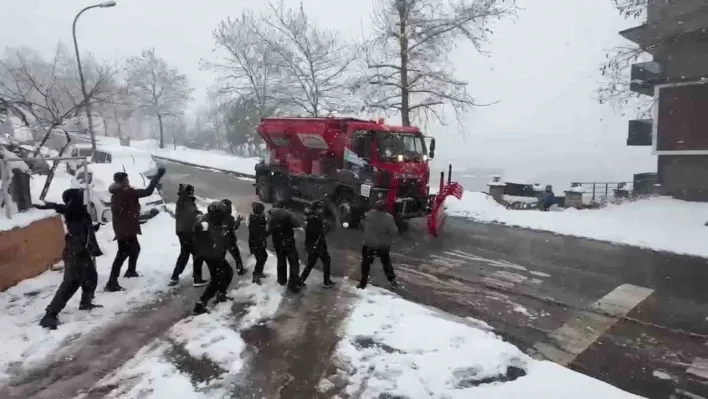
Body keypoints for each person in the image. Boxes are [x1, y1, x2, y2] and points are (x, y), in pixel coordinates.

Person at [34, 188, 104, 329]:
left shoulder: (80, 212)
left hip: (82, 252)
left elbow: (83, 228)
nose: (81, 198)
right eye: (79, 196)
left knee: (91, 278)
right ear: (73, 199)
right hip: (74, 253)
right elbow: (65, 210)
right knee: (70, 283)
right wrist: (50, 205)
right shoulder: (73, 211)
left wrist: (93, 228)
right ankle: (50, 314)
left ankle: (86, 302)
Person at [105, 166, 166, 292]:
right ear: (122, 182)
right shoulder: (126, 192)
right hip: (125, 229)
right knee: (122, 255)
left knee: (133, 250)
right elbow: (148, 192)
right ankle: (112, 282)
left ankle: (130, 271)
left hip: (124, 227)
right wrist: (157, 176)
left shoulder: (118, 192)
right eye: (126, 180)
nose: (128, 181)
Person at [192, 201, 233, 314]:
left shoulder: (218, 221)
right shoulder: (204, 225)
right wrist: (207, 252)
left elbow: (223, 233)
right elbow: (199, 240)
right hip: (212, 255)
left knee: (227, 273)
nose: (223, 216)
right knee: (216, 279)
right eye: (221, 214)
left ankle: (220, 294)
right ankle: (201, 304)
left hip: (217, 254)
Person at [169, 184, 207, 287]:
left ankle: (175, 277)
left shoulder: (186, 200)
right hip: (186, 232)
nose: (192, 193)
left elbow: (190, 212)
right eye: (191, 192)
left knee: (186, 254)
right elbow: (189, 214)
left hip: (184, 231)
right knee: (196, 254)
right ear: (188, 192)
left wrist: (197, 213)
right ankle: (196, 279)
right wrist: (198, 216)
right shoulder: (184, 200)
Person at [358, 200, 399, 289]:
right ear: (385, 209)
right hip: (382, 246)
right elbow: (394, 232)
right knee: (386, 263)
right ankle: (392, 280)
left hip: (369, 244)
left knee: (366, 263)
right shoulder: (389, 218)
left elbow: (361, 226)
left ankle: (363, 283)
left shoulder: (368, 215)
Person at [267, 200, 302, 293]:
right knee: (294, 263)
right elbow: (297, 223)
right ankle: (293, 284)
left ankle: (281, 281)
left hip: (277, 242)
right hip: (288, 241)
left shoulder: (270, 215)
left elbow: (268, 230)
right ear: (283, 206)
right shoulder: (287, 214)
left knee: (281, 261)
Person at [299, 200, 335, 289]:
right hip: (318, 245)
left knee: (311, 264)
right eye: (320, 208)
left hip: (312, 245)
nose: (321, 210)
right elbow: (319, 232)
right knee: (326, 261)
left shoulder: (311, 217)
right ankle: (326, 282)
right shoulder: (315, 219)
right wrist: (326, 227)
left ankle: (300, 281)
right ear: (316, 209)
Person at [221, 198, 247, 276]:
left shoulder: (217, 216)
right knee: (237, 257)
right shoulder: (229, 218)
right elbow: (234, 227)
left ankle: (220, 271)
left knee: (221, 257)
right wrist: (238, 221)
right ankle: (240, 270)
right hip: (229, 240)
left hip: (220, 240)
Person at [248, 201, 269, 285]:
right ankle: (256, 275)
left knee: (263, 257)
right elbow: (259, 233)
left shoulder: (257, 218)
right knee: (261, 258)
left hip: (257, 242)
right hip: (256, 243)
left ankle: (258, 272)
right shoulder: (257, 220)